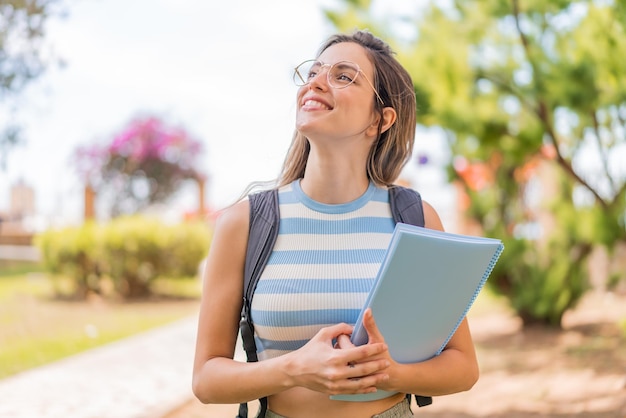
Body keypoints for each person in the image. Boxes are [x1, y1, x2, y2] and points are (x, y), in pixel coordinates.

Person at [192, 29, 479, 418]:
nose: (316, 83)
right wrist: (294, 368)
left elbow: (463, 367)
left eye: (343, 76)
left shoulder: (415, 217)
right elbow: (207, 380)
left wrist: (388, 374)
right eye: (314, 72)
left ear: (380, 119)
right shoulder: (244, 223)